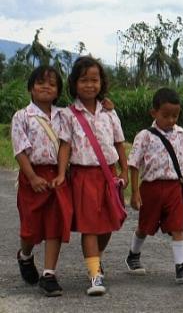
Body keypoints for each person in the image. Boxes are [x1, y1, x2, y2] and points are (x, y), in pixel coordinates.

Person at [52, 56, 128, 296]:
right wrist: (62, 174)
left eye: (94, 80)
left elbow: (119, 143)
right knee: (90, 227)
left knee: (109, 224)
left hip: (108, 175)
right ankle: (95, 276)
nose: (89, 85)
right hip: (83, 176)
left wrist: (124, 170)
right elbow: (65, 146)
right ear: (74, 83)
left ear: (101, 83)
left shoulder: (109, 113)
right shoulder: (68, 114)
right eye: (84, 80)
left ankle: (97, 259)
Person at [125, 87, 183, 285]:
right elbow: (134, 165)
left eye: (175, 115)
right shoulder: (144, 136)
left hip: (174, 187)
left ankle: (181, 269)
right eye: (166, 115)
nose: (171, 120)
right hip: (151, 188)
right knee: (145, 227)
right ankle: (133, 255)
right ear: (154, 113)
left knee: (178, 227)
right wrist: (135, 193)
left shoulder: (181, 134)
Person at [11, 66, 72, 297]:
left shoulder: (63, 115)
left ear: (58, 91)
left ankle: (49, 274)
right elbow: (20, 150)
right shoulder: (21, 116)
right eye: (40, 82)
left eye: (52, 84)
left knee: (54, 223)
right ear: (30, 88)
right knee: (30, 227)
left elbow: (65, 143)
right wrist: (33, 177)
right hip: (32, 176)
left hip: (56, 176)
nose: (46, 86)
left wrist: (61, 173)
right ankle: (25, 255)